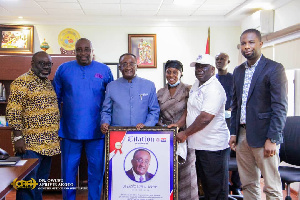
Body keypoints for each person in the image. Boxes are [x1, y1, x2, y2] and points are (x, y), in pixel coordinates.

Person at [229, 29, 288, 200]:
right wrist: (234, 132)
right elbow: (236, 104)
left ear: (261, 44)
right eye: (243, 43)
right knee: (248, 184)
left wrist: (273, 138)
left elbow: (280, 107)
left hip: (265, 137)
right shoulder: (238, 71)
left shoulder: (274, 69)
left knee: (271, 187)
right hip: (242, 137)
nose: (247, 47)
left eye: (251, 42)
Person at [53, 38, 114, 200]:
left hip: (97, 132)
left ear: (92, 50)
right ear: (74, 51)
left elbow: (111, 99)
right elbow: (55, 99)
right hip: (69, 131)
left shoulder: (104, 70)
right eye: (79, 50)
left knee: (96, 172)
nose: (83, 53)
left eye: (86, 49)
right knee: (68, 172)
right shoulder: (63, 69)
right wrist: (58, 126)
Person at [6, 51, 60, 200]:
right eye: (42, 63)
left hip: (48, 146)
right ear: (32, 64)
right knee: (28, 185)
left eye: (48, 64)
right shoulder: (21, 82)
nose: (46, 67)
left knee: (39, 185)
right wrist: (18, 138)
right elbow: (13, 112)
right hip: (29, 145)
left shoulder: (47, 84)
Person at [176, 54, 230, 199]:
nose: (199, 70)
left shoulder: (214, 89)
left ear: (212, 69)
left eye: (203, 67)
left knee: (215, 190)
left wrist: (185, 133)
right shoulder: (197, 84)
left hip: (213, 148)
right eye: (197, 66)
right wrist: (179, 123)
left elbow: (205, 118)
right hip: (199, 146)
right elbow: (191, 107)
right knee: (205, 188)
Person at [157, 60, 198, 200]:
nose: (171, 75)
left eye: (175, 72)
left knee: (187, 174)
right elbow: (156, 113)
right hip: (166, 137)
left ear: (181, 73)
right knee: (167, 172)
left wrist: (179, 125)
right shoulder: (160, 92)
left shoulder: (188, 89)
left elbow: (190, 110)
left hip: (184, 136)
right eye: (169, 71)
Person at [100, 53, 160, 132]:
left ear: (136, 66)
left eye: (131, 64)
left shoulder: (149, 85)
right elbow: (106, 111)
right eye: (124, 64)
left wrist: (147, 125)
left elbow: (154, 110)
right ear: (119, 67)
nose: (128, 67)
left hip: (142, 134)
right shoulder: (111, 86)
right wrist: (105, 122)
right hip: (117, 134)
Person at [215, 53, 242, 195]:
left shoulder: (234, 79)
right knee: (221, 156)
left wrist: (231, 108)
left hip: (232, 122)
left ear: (228, 61)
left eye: (222, 59)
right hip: (217, 124)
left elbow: (238, 99)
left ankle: (236, 186)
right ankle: (223, 184)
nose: (219, 62)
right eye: (217, 59)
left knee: (236, 154)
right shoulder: (213, 80)